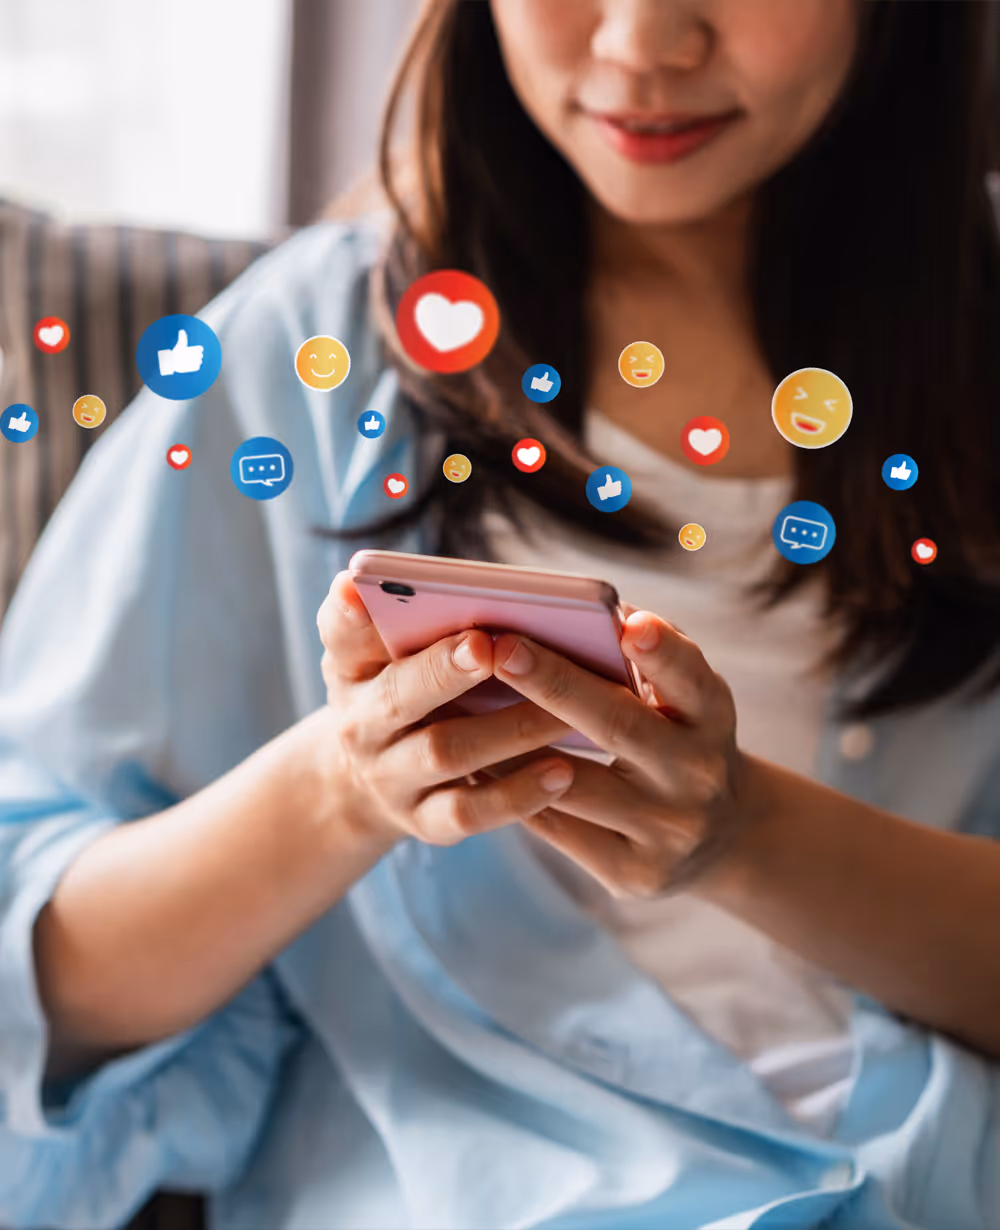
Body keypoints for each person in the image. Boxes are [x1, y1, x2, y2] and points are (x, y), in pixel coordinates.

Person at [2, 1, 1000, 1226]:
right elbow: (43, 993)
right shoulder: (308, 352)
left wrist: (742, 834)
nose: (641, 46)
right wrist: (346, 788)